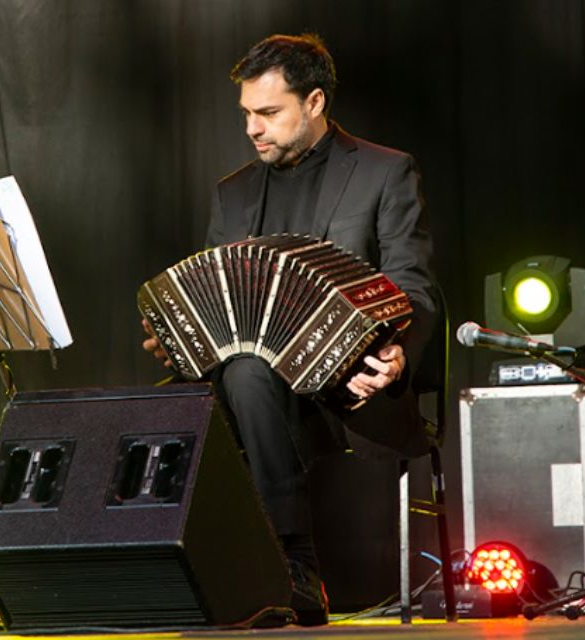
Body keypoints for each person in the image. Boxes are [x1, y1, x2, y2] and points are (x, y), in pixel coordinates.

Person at [142, 33, 436, 626]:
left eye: (269, 113)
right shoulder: (233, 192)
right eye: (247, 114)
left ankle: (293, 565)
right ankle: (172, 577)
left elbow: (412, 284)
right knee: (168, 402)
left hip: (344, 386)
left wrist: (395, 352)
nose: (253, 128)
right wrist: (179, 336)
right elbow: (214, 295)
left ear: (315, 102)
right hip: (252, 392)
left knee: (247, 375)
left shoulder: (384, 172)